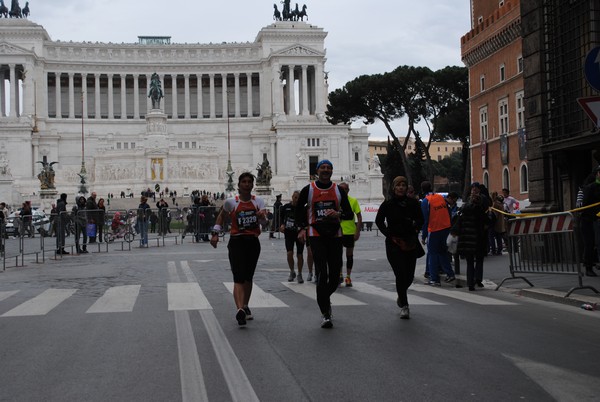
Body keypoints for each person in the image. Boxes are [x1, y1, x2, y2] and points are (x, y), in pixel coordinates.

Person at [295, 159, 353, 328]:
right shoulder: (309, 189)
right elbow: (299, 209)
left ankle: (323, 298)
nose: (326, 170)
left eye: (328, 168)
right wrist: (301, 228)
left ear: (332, 171)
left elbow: (349, 213)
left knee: (335, 275)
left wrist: (338, 213)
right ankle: (325, 312)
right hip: (316, 233)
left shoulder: (339, 190)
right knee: (322, 272)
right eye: (323, 168)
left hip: (335, 234)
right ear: (317, 171)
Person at [210, 172, 268, 326]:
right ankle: (239, 309)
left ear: (252, 185)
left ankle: (245, 305)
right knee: (238, 276)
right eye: (244, 182)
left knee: (248, 276)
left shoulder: (259, 202)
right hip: (236, 241)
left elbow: (265, 222)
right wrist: (215, 234)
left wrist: (262, 217)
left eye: (249, 182)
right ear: (239, 184)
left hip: (253, 241)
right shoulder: (231, 202)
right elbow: (221, 216)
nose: (247, 184)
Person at [375, 176, 424, 319]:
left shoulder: (413, 203)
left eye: (403, 185)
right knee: (400, 273)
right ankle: (405, 304)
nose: (401, 187)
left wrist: (416, 227)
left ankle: (401, 295)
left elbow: (421, 219)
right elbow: (379, 221)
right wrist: (387, 234)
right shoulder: (388, 204)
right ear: (394, 188)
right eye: (398, 185)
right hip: (394, 243)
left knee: (409, 276)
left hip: (410, 241)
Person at [450, 193, 489, 290]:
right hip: (478, 240)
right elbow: (488, 222)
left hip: (466, 240)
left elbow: (456, 221)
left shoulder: (463, 209)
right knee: (479, 260)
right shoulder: (480, 211)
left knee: (469, 262)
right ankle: (478, 279)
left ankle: (470, 283)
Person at [420, 181, 455, 286]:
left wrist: (424, 235)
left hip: (434, 229)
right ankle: (450, 274)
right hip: (445, 228)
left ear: (422, 190)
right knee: (442, 252)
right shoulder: (440, 198)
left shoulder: (426, 201)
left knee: (433, 254)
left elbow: (425, 220)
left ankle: (434, 279)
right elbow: (448, 211)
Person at [279, 191, 309, 283]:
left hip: (299, 233)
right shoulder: (286, 207)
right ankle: (292, 271)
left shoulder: (303, 209)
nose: (296, 200)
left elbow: (306, 221)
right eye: (295, 197)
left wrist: (303, 229)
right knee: (289, 253)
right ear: (292, 197)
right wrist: (281, 225)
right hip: (289, 233)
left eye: (298, 198)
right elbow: (280, 217)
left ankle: (299, 273)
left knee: (299, 254)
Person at [337, 182, 362, 287]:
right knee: (337, 256)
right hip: (338, 231)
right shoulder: (336, 201)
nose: (343, 191)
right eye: (341, 189)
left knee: (349, 256)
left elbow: (359, 217)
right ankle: (340, 274)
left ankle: (348, 276)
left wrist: (357, 231)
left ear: (348, 190)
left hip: (350, 231)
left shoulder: (353, 201)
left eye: (345, 189)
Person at [581, 166, 600, 277]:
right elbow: (585, 205)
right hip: (589, 220)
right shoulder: (589, 187)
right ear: (597, 174)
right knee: (590, 243)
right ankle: (588, 267)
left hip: (597, 219)